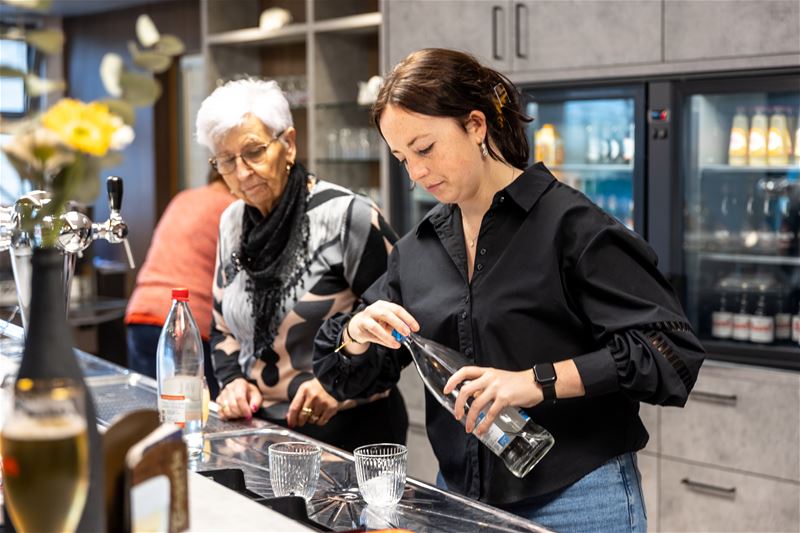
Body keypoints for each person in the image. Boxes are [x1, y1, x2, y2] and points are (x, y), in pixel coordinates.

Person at [313, 48, 705, 532]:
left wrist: (535, 382)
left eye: (425, 149)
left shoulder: (572, 226)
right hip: (460, 500)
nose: (415, 173)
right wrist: (355, 334)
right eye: (401, 158)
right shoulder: (418, 249)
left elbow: (670, 353)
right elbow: (345, 378)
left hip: (579, 500)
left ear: (475, 125)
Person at [195, 78, 407, 452]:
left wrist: (337, 387)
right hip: (261, 432)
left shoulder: (348, 217)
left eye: (254, 152)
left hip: (350, 431)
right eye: (226, 160)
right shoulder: (232, 221)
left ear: (289, 143)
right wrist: (232, 382)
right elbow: (222, 324)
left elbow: (400, 326)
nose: (242, 172)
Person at [125, 168, 235, 400]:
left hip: (141, 312)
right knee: (192, 410)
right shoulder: (232, 208)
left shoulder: (183, 198)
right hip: (188, 323)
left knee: (149, 406)